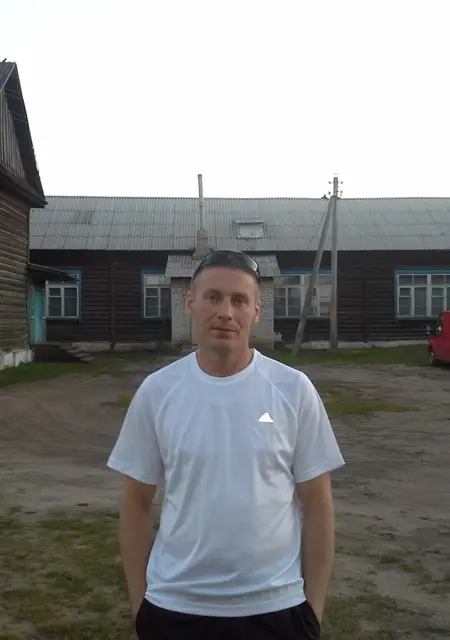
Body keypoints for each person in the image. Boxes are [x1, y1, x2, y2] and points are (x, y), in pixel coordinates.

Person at [107, 249, 345, 640]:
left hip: (276, 608)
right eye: (213, 297)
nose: (225, 312)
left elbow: (318, 505)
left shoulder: (293, 389)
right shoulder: (157, 391)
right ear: (191, 303)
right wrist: (142, 610)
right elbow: (135, 503)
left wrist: (311, 614)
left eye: (239, 300)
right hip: (176, 607)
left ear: (256, 311)